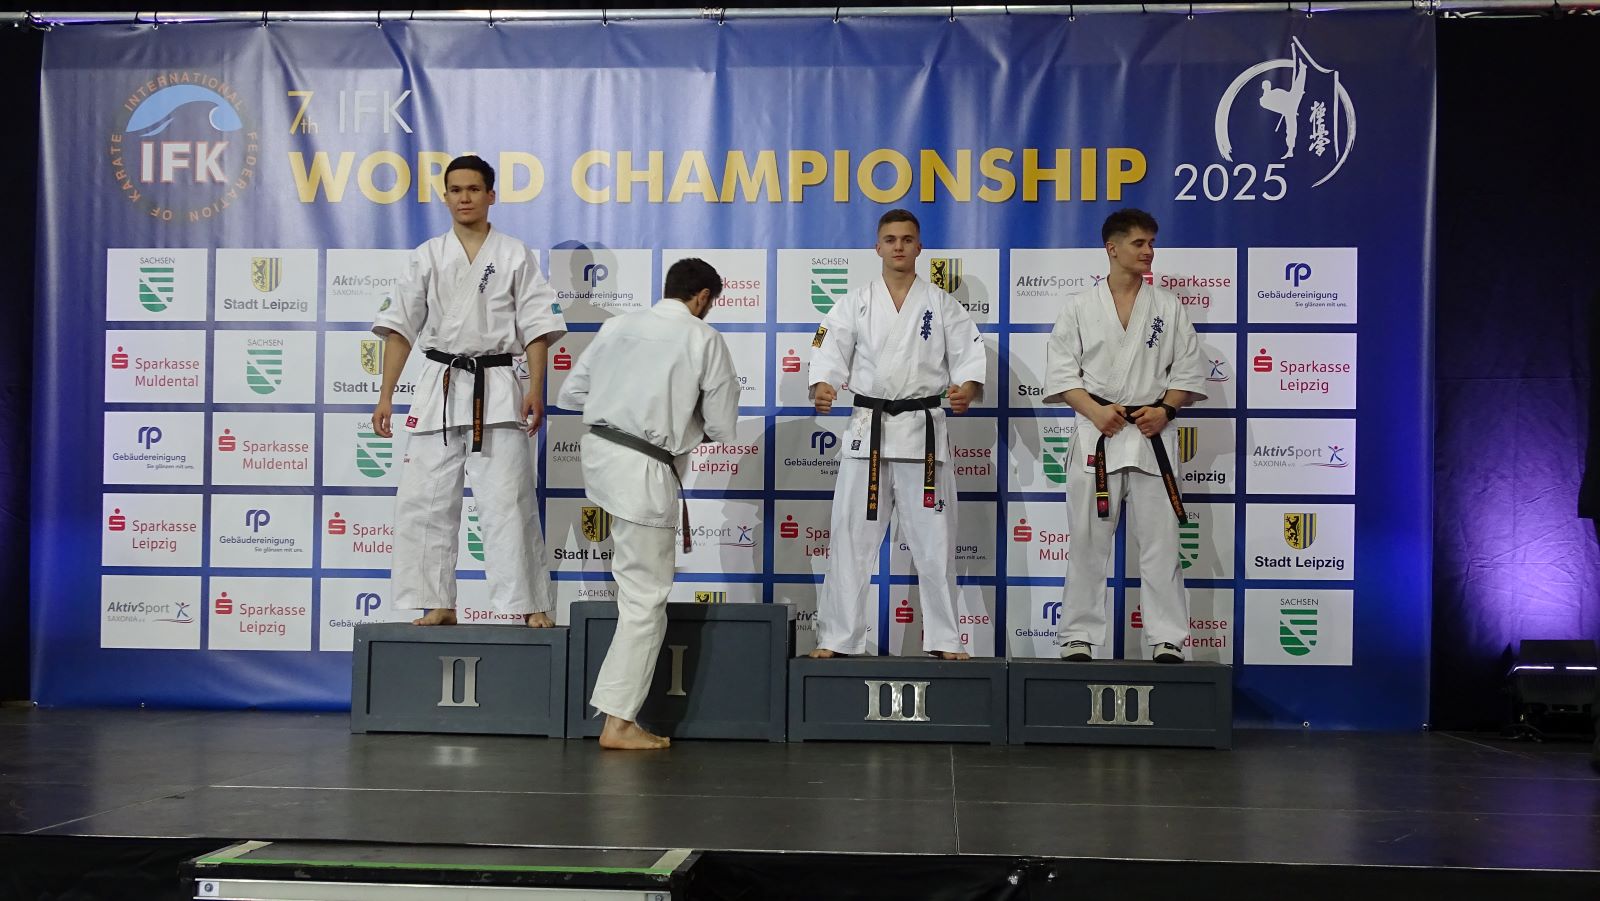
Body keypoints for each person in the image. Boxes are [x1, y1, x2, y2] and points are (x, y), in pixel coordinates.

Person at [371, 154, 566, 628]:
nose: (465, 198)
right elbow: (400, 329)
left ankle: (528, 603)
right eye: (456, 190)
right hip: (438, 387)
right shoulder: (427, 255)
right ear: (445, 197)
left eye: (474, 189)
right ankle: (437, 601)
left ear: (491, 195)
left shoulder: (514, 253)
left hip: (496, 386)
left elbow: (537, 328)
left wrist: (536, 389)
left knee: (508, 501)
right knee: (425, 502)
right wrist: (385, 395)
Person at [557, 258, 740, 750]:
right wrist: (673, 415)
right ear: (703, 298)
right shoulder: (703, 338)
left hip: (601, 458)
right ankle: (618, 723)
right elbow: (722, 426)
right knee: (644, 599)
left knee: (635, 592)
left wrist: (626, 402)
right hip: (643, 470)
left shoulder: (617, 326)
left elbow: (572, 393)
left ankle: (616, 715)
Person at [808, 209, 987, 660]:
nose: (899, 246)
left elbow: (969, 358)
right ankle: (838, 637)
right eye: (890, 239)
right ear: (878, 247)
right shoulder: (854, 302)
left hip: (922, 432)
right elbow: (828, 352)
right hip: (867, 430)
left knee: (935, 543)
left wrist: (967, 389)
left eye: (907, 239)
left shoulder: (942, 304)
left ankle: (945, 639)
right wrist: (823, 384)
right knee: (850, 539)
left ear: (919, 247)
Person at [1043, 208, 1209, 663]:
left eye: (1152, 243)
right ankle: (1077, 635)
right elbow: (1062, 375)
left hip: (1152, 436)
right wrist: (1095, 412)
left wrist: (1165, 409)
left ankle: (1167, 638)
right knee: (1086, 543)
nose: (1149, 251)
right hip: (1097, 436)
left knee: (1161, 545)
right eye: (1139, 243)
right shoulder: (1079, 307)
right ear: (1112, 248)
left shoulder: (1168, 307)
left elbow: (1187, 372)